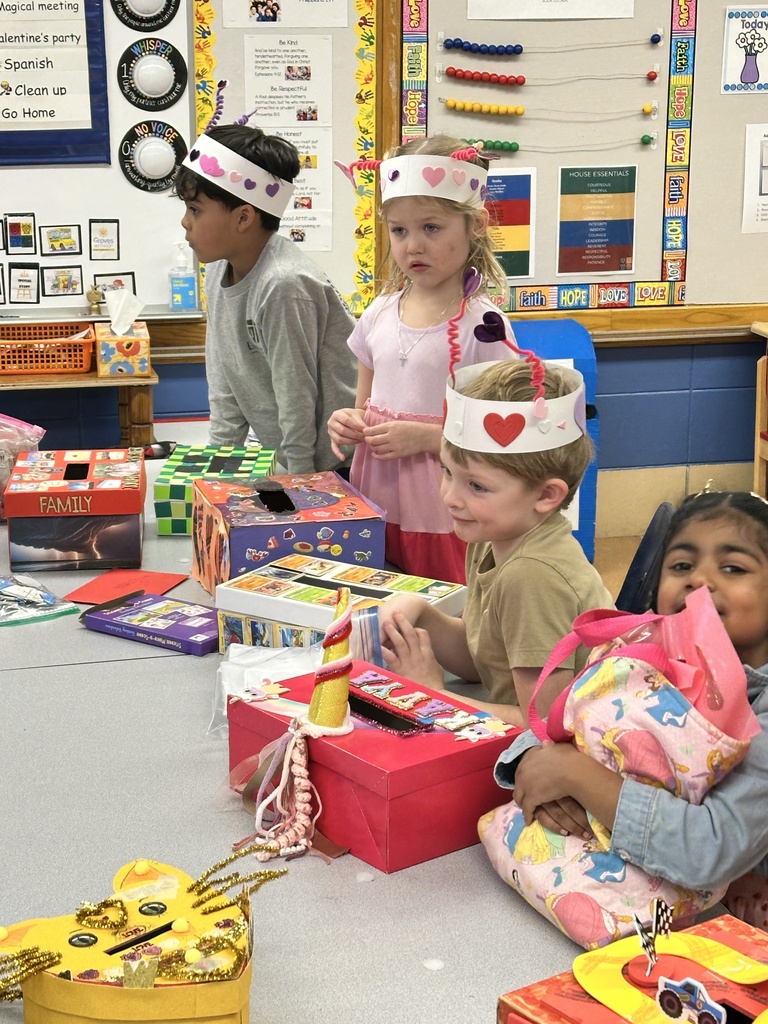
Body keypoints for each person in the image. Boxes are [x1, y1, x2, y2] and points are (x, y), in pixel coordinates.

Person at [505, 490, 768, 928]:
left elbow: (708, 850)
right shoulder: (647, 648)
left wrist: (575, 775)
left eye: (732, 568)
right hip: (613, 898)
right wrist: (535, 764)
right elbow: (569, 716)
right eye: (682, 565)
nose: (698, 581)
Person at [376, 355, 613, 728]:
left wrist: (431, 695)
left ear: (546, 495)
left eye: (476, 485)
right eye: (447, 471)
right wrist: (423, 615)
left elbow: (546, 727)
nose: (451, 496)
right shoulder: (491, 538)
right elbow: (483, 662)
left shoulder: (531, 576)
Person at [328, 135, 517, 583]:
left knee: (443, 620)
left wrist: (428, 438)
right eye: (399, 230)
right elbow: (362, 405)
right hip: (374, 503)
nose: (413, 245)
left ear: (475, 225)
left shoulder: (484, 326)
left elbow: (502, 440)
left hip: (444, 512)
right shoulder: (378, 313)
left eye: (431, 228)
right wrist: (346, 421)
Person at [173, 85, 356, 474]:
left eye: (195, 209)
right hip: (292, 459)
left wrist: (300, 481)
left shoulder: (284, 284)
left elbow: (297, 396)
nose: (185, 222)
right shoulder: (218, 271)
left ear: (243, 217)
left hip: (335, 466)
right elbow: (224, 381)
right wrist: (219, 468)